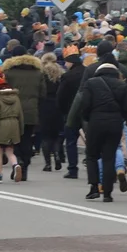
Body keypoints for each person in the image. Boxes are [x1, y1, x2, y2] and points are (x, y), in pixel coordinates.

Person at [70, 60, 127, 201]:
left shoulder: (91, 83)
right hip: (115, 123)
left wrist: (88, 118)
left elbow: (85, 104)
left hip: (96, 122)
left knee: (92, 155)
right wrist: (124, 119)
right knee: (109, 157)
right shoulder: (122, 85)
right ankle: (107, 193)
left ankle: (94, 187)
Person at [2, 47, 46, 182]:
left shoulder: (9, 72)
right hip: (30, 111)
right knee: (27, 138)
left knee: (14, 138)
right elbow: (43, 94)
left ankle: (17, 161)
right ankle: (24, 168)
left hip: (12, 110)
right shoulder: (38, 73)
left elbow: (2, 91)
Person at [0, 78, 23, 183]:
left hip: (2, 125)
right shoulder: (16, 97)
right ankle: (16, 165)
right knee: (10, 150)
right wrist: (20, 130)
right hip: (14, 124)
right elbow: (20, 115)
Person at [57, 46, 85, 179]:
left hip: (70, 112)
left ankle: (73, 169)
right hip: (86, 111)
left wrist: (62, 112)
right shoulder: (87, 72)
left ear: (71, 62)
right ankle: (95, 164)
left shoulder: (67, 76)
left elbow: (60, 96)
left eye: (66, 62)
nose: (65, 65)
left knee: (71, 141)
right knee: (91, 140)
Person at [38, 53, 64, 173]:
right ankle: (57, 154)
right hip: (58, 105)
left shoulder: (41, 74)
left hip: (44, 106)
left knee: (45, 137)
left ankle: (48, 163)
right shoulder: (61, 73)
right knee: (56, 135)